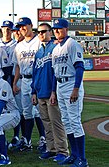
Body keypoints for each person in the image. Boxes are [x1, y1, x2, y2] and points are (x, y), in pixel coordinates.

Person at [51, 18, 88, 167]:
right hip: (60, 85)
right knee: (66, 121)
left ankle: (82, 159)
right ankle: (74, 155)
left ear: (66, 29)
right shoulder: (55, 49)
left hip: (71, 83)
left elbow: (79, 67)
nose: (57, 31)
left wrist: (76, 89)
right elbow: (54, 73)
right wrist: (53, 92)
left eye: (59, 28)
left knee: (74, 121)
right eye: (55, 29)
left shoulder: (72, 44)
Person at [31, 23, 69, 162]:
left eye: (43, 31)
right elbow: (35, 73)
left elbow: (56, 73)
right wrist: (33, 91)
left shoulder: (55, 49)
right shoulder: (39, 52)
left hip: (51, 92)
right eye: (38, 32)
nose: (40, 34)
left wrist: (54, 91)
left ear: (50, 32)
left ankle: (62, 151)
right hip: (40, 92)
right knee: (46, 124)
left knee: (56, 123)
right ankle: (51, 149)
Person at [12, 17, 46, 152]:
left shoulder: (39, 41)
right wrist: (15, 83)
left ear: (31, 26)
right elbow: (17, 67)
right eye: (20, 27)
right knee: (26, 112)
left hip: (37, 79)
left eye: (24, 26)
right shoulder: (19, 46)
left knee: (39, 110)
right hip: (24, 80)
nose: (22, 29)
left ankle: (44, 139)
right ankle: (27, 140)